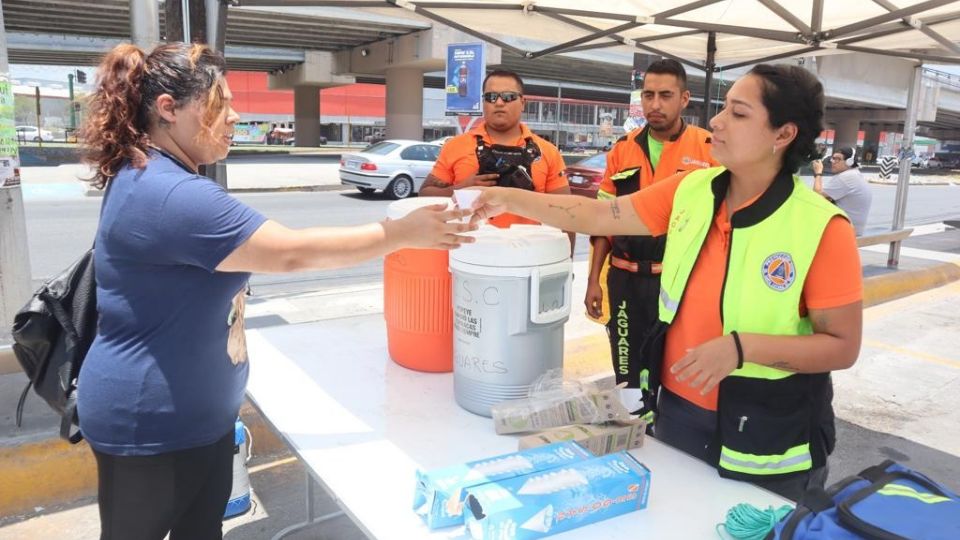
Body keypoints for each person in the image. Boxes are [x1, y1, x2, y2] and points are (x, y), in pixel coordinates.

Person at [77, 42, 474, 540]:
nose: (235, 115)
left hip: (194, 420)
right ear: (168, 109)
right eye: (219, 102)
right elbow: (291, 252)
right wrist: (400, 234)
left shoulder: (157, 176)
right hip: (152, 427)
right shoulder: (172, 194)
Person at [469, 64, 862, 502]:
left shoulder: (821, 227)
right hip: (676, 412)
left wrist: (742, 348)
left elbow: (842, 346)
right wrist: (507, 197)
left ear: (783, 134)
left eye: (738, 113)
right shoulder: (691, 190)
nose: (716, 121)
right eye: (723, 109)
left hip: (767, 438)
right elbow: (598, 215)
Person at [583, 59, 716, 417]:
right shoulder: (622, 149)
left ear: (684, 99)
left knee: (673, 368)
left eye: (665, 95)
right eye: (648, 95)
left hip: (678, 283)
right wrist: (594, 280)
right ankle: (634, 429)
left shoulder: (708, 149)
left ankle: (666, 432)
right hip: (624, 280)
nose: (655, 104)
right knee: (627, 371)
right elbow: (602, 222)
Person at [419, 69, 575, 252]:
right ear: (483, 102)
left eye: (508, 96)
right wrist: (461, 188)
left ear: (523, 102)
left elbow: (567, 213)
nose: (499, 103)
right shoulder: (455, 146)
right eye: (491, 97)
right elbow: (425, 195)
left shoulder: (547, 152)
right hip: (468, 257)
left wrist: (567, 264)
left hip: (530, 257)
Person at [812, 147, 872, 235]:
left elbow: (816, 195)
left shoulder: (846, 177)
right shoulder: (855, 174)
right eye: (833, 158)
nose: (833, 162)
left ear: (849, 162)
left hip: (845, 231)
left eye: (838, 159)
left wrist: (818, 172)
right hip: (853, 229)